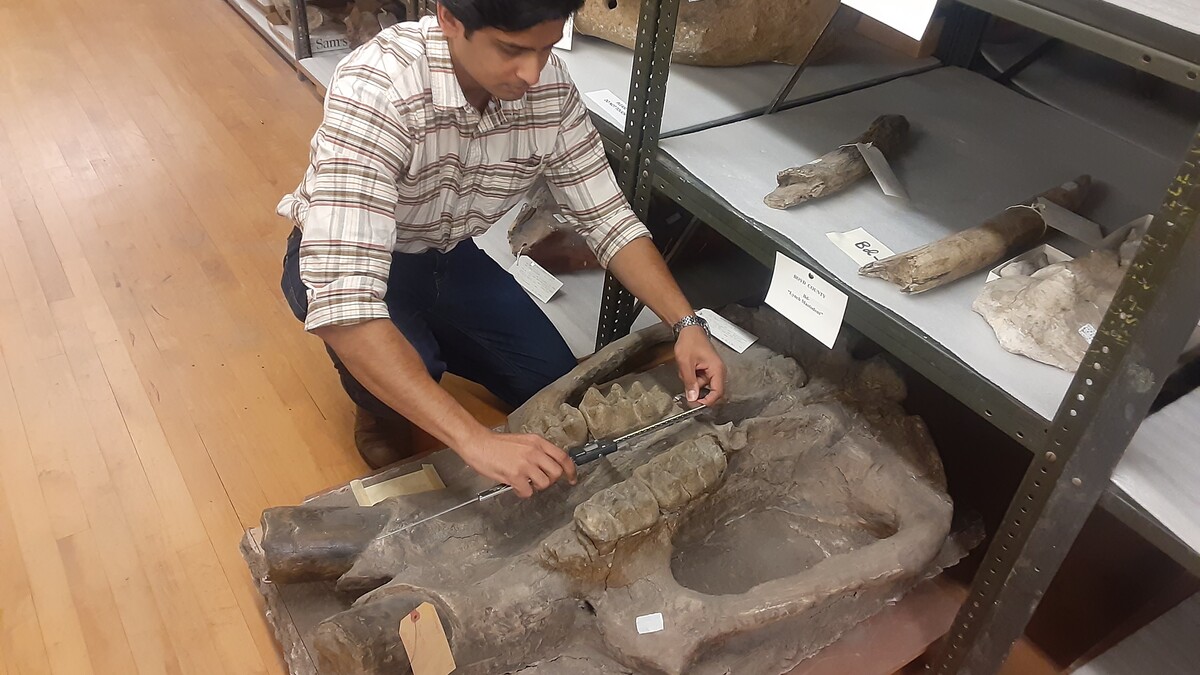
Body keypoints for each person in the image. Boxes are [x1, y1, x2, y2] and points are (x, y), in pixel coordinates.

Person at [277, 0, 726, 497]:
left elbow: (608, 218)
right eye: (512, 49)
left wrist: (686, 324)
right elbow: (346, 301)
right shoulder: (379, 87)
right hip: (362, 261)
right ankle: (377, 401)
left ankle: (421, 351)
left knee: (551, 381)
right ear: (449, 18)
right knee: (407, 364)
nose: (533, 72)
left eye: (546, 48)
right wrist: (474, 440)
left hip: (451, 257)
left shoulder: (548, 87)